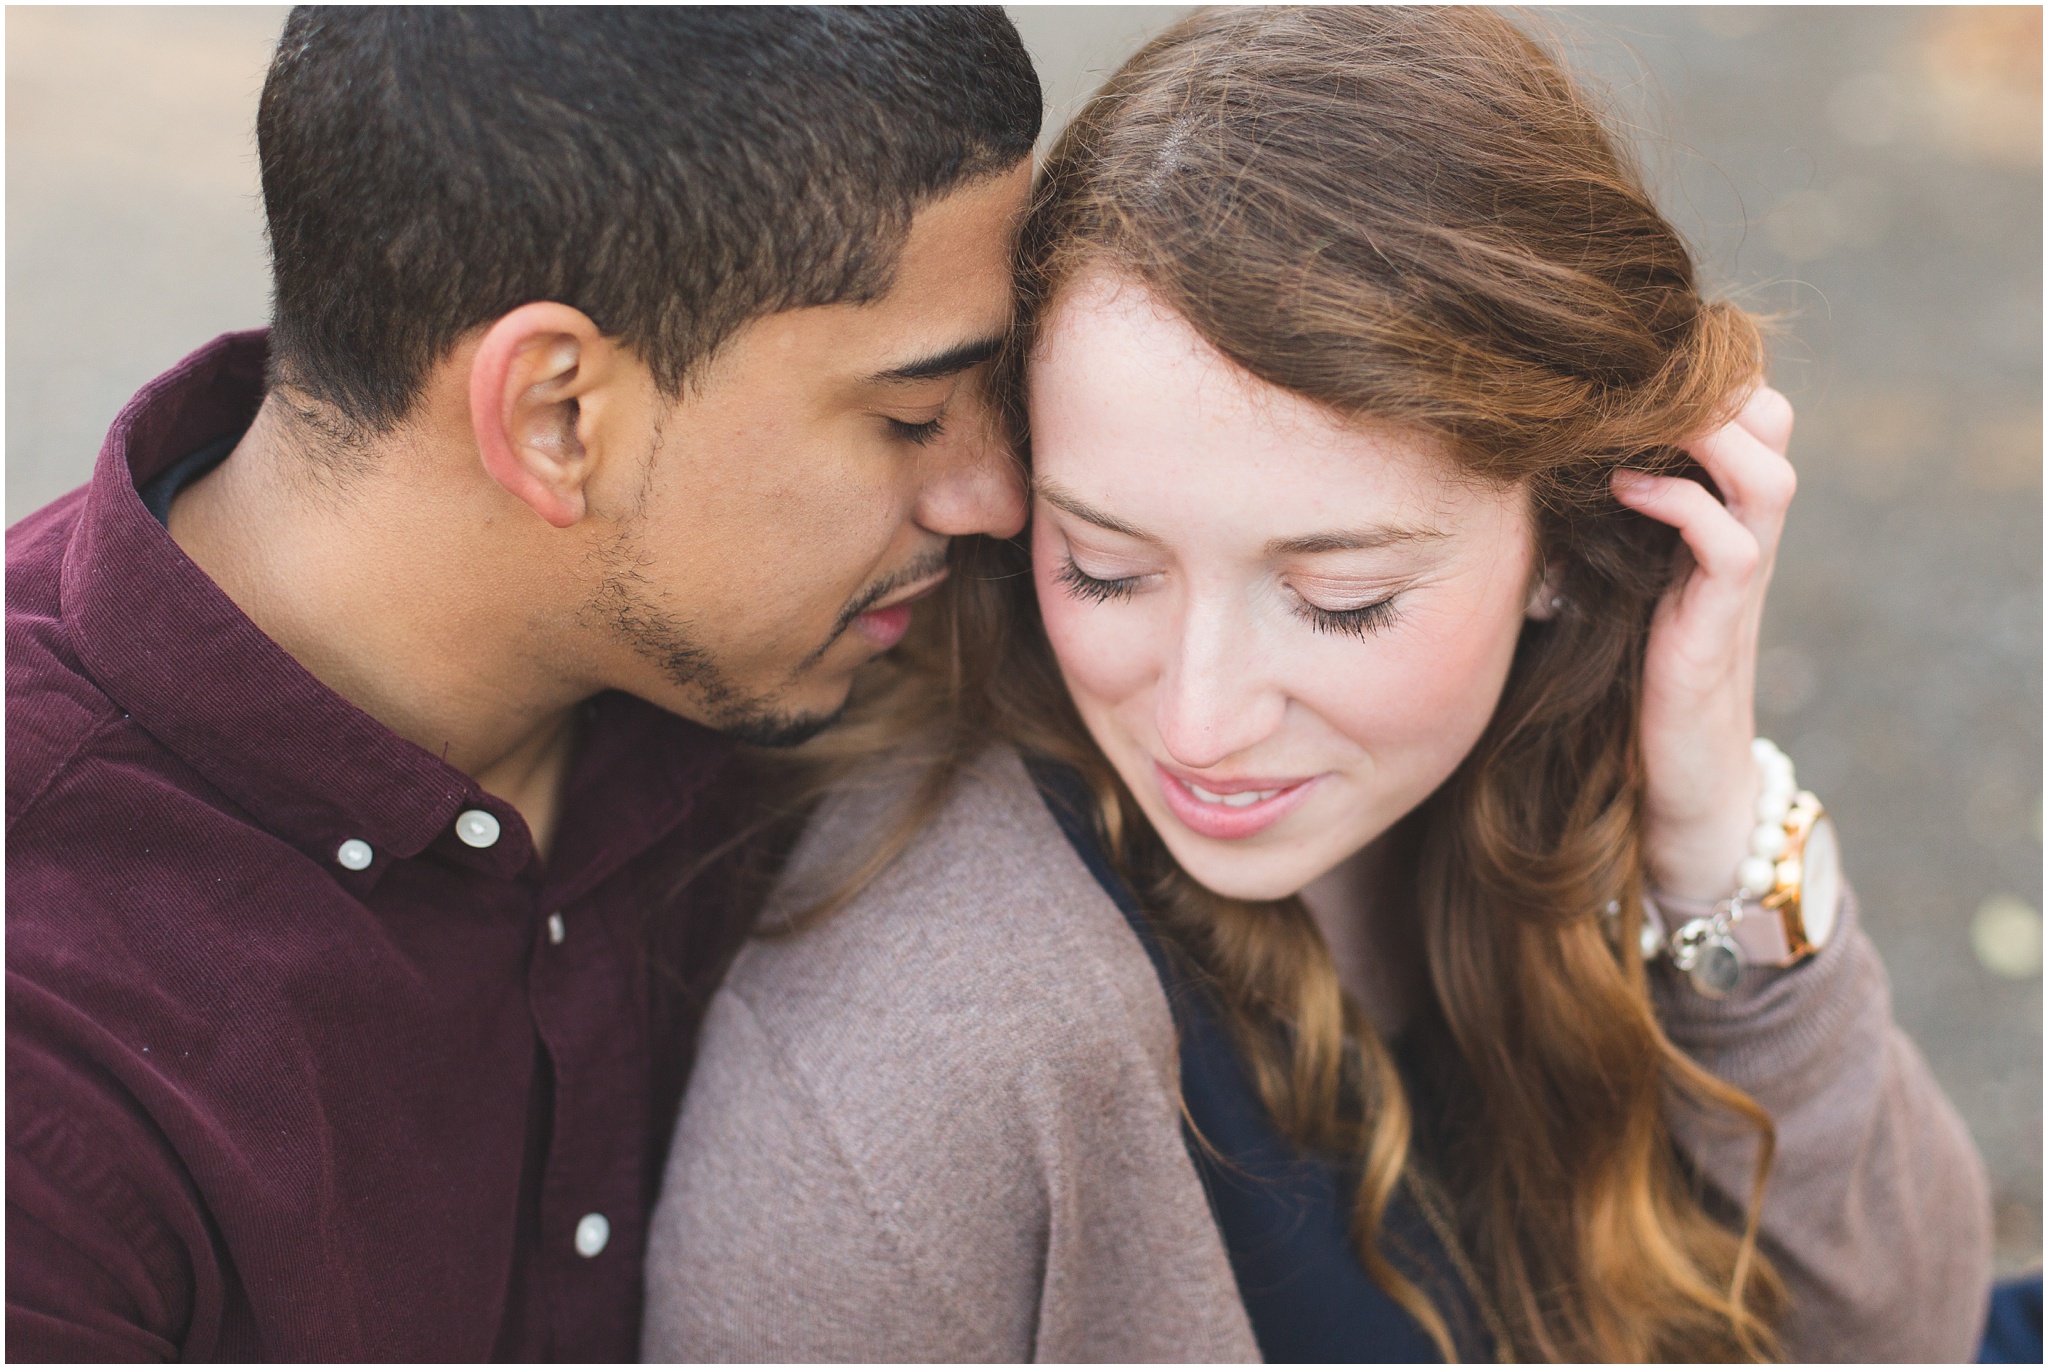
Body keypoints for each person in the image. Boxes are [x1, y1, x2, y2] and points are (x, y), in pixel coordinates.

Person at [644, 8, 1993, 1363]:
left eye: (1340, 599)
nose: (1199, 721)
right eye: (1105, 566)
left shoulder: (1553, 774)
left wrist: (1712, 835)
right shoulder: (911, 1082)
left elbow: (1913, 1328)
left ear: (1571, 545)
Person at [5, 7, 1040, 1359]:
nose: (997, 498)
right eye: (910, 417)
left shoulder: (776, 636)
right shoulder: (48, 1050)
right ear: (557, 416)